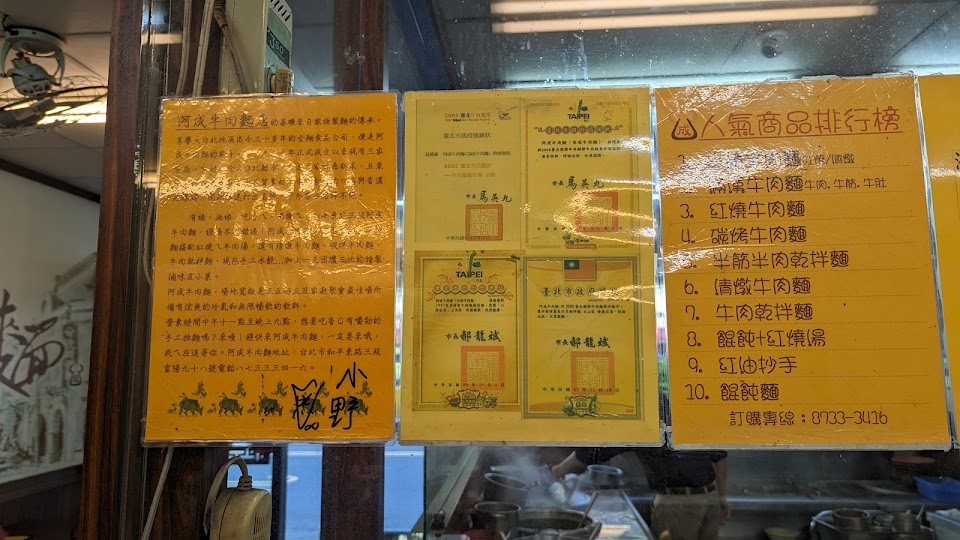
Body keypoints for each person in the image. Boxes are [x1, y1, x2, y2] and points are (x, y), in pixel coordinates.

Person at [551, 446, 730, 540]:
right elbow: (719, 457)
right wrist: (722, 496)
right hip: (710, 496)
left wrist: (561, 468)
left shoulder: (647, 420)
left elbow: (599, 449)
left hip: (678, 503)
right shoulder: (679, 413)